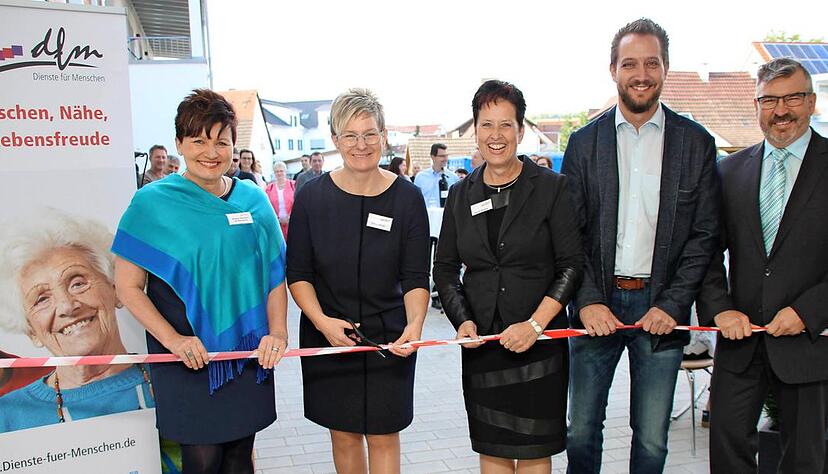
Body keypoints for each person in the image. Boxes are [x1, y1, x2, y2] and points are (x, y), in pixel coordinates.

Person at [562, 18, 720, 473]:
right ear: (613, 69)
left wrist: (672, 304)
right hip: (597, 307)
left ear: (666, 68)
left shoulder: (696, 143)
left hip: (661, 309)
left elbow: (705, 236)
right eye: (630, 63)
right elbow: (570, 234)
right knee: (580, 431)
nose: (641, 74)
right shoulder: (584, 144)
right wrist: (587, 301)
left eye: (652, 63)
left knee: (651, 439)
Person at [112, 89, 288, 474]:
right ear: (179, 144)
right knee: (202, 462)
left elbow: (275, 274)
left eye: (221, 142)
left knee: (240, 457)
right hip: (186, 357)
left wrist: (278, 332)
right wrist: (173, 340)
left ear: (233, 146)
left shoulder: (254, 200)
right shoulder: (151, 203)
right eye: (198, 141)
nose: (211, 152)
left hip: (247, 354)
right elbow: (126, 287)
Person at [434, 79, 583, 473]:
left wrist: (535, 325)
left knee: (534, 451)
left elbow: (571, 265)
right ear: (475, 130)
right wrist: (462, 319)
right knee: (493, 449)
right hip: (483, 344)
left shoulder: (552, 188)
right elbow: (444, 268)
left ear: (520, 130)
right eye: (487, 124)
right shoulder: (461, 194)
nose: (495, 135)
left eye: (505, 125)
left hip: (540, 343)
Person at [286, 88, 429, 474]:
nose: (361, 145)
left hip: (391, 336)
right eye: (350, 135)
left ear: (384, 135)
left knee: (384, 434)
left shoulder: (408, 198)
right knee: (344, 434)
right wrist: (321, 322)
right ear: (335, 140)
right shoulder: (312, 198)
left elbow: (416, 276)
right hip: (329, 331)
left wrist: (415, 325)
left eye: (369, 134)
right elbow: (298, 274)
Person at [698, 58, 828, 473]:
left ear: (811, 102)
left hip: (807, 343)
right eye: (769, 100)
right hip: (741, 343)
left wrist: (807, 312)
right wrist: (721, 309)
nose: (781, 110)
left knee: (805, 459)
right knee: (726, 450)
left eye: (792, 98)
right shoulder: (729, 171)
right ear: (756, 106)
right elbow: (706, 252)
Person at [0, 209, 154, 432]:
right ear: (31, 331)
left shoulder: (179, 383)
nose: (67, 306)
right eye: (42, 299)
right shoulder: (8, 417)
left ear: (115, 288)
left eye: (78, 283)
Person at [414, 143, 459, 208]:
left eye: (446, 156)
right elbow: (415, 200)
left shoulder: (453, 177)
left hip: (447, 213)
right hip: (427, 213)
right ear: (433, 157)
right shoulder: (420, 177)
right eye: (442, 156)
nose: (446, 159)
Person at [265, 161, 296, 241]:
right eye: (277, 171)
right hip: (276, 224)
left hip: (292, 223)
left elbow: (297, 203)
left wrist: (289, 217)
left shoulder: (293, 185)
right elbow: (267, 206)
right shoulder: (269, 188)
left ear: (285, 172)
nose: (279, 173)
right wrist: (277, 219)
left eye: (281, 171)